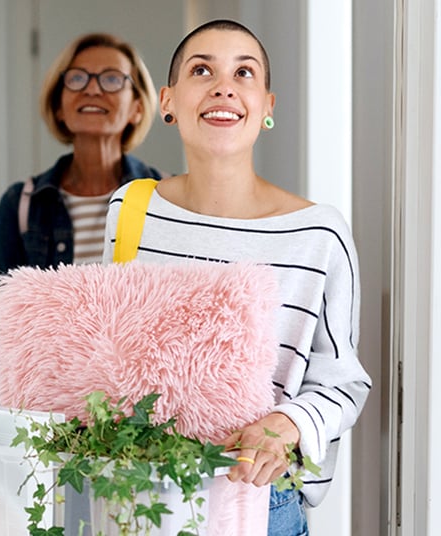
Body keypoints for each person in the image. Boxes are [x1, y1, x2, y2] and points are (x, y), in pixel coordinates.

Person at [102, 19, 371, 535]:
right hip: (140, 496)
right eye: (202, 70)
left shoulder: (318, 234)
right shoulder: (131, 209)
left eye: (243, 72)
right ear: (168, 102)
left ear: (267, 106)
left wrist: (288, 423)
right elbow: (109, 352)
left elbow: (343, 380)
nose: (223, 86)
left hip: (258, 504)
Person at [0, 33, 166, 342]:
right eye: (76, 78)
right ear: (59, 105)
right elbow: (4, 330)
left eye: (112, 79)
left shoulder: (168, 197)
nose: (92, 89)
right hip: (52, 375)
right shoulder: (20, 204)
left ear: (137, 107)